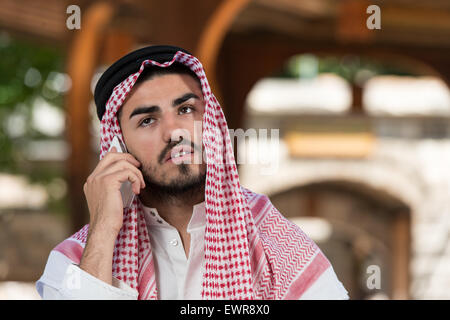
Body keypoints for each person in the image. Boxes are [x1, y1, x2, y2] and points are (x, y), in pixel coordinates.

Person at [36, 45, 349, 300]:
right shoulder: (75, 260)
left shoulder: (276, 244)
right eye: (147, 120)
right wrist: (103, 229)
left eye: (185, 110)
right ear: (118, 146)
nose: (174, 132)